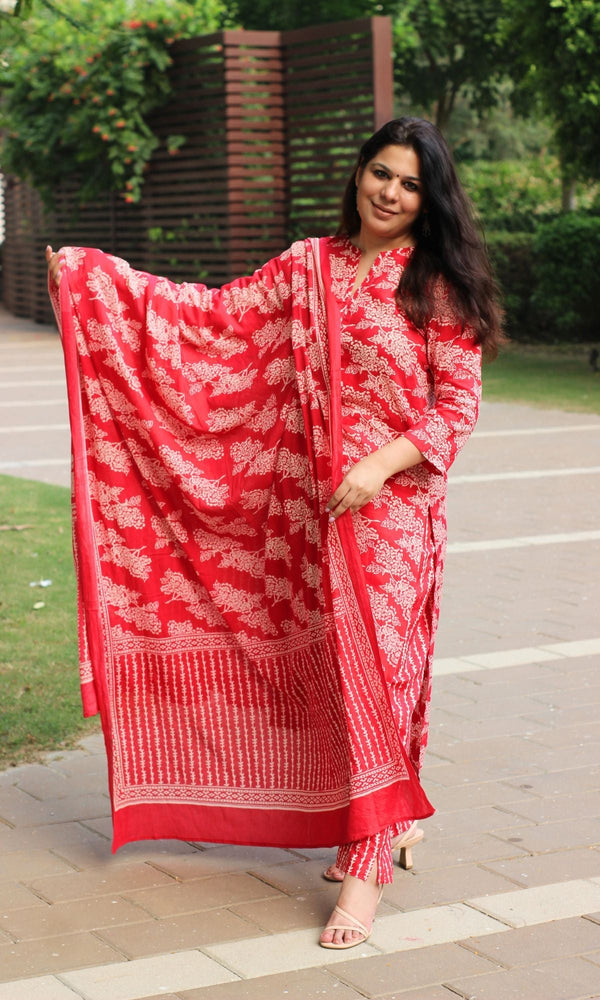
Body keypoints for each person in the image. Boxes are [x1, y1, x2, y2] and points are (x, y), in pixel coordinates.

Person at [46, 116, 503, 951]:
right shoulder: (308, 266)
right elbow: (212, 320)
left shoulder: (435, 284)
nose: (390, 193)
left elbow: (457, 408)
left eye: (408, 184)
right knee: (337, 678)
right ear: (358, 173)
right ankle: (385, 818)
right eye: (380, 173)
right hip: (309, 512)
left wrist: (379, 467)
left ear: (428, 198)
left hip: (393, 515)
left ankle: (364, 867)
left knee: (387, 672)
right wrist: (94, 279)